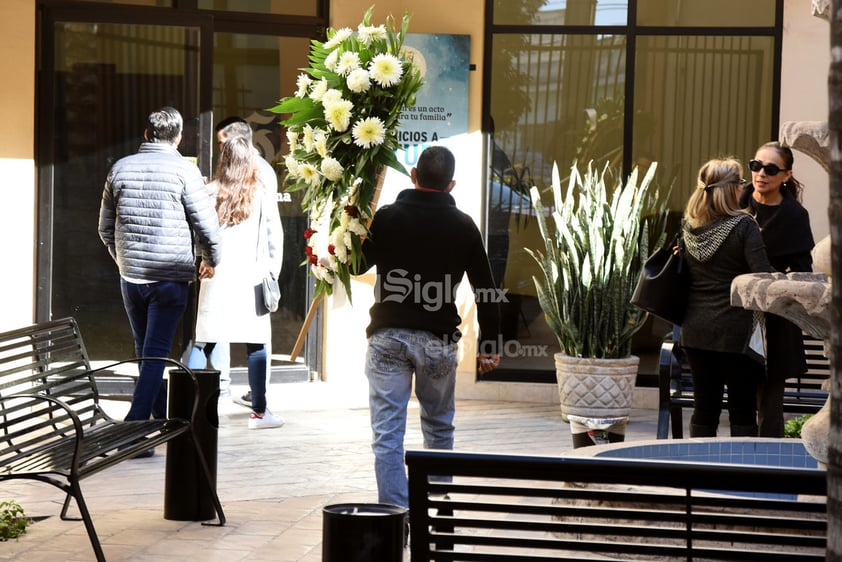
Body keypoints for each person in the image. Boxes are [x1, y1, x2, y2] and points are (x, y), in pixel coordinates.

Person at [356, 145, 502, 507]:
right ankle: (433, 513)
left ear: (414, 176)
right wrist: (491, 343)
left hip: (388, 337)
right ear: (450, 185)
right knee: (439, 426)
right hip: (438, 341)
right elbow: (486, 288)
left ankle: (397, 515)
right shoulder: (463, 225)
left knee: (387, 434)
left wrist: (353, 226)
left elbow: (357, 265)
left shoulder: (388, 217)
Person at [98, 106, 222, 448]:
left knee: (146, 351)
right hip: (169, 278)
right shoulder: (184, 171)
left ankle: (157, 419)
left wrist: (124, 260)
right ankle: (135, 431)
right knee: (153, 355)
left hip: (132, 278)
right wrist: (211, 258)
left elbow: (104, 228)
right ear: (179, 137)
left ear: (147, 133)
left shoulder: (119, 169)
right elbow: (207, 225)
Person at [187, 116, 282, 404]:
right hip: (250, 276)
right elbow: (273, 235)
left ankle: (186, 404)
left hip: (216, 275)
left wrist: (205, 261)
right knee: (256, 342)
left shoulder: (210, 191)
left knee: (203, 339)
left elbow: (200, 234)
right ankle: (260, 409)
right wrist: (271, 273)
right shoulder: (261, 191)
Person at [679, 157, 774, 438]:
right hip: (737, 332)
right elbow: (763, 277)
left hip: (695, 330)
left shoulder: (688, 227)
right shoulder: (744, 225)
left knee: (704, 406)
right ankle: (740, 473)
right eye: (741, 182)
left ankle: (700, 471)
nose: (743, 187)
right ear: (731, 188)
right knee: (742, 408)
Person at [739, 142, 815, 437]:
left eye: (770, 169)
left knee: (770, 404)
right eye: (755, 165)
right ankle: (731, 469)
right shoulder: (736, 201)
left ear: (786, 175)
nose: (761, 173)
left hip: (774, 320)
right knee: (739, 398)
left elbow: (802, 271)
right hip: (734, 315)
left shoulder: (794, 216)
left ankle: (769, 471)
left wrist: (771, 278)